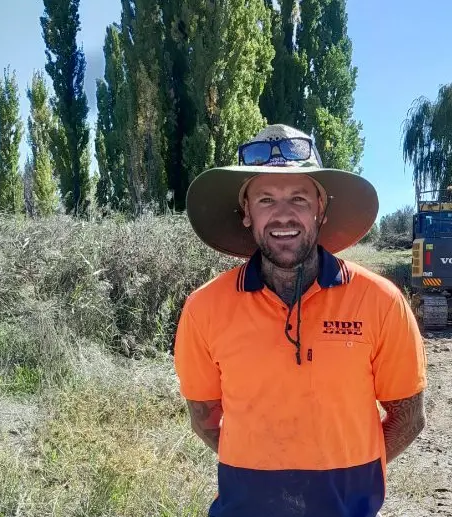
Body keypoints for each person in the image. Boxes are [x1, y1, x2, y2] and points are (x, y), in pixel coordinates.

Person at [173, 124, 428, 517]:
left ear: (321, 210)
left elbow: (409, 417)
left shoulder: (380, 302)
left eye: (298, 198)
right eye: (265, 200)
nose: (283, 215)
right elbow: (204, 419)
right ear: (246, 213)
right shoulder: (204, 308)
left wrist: (347, 480)